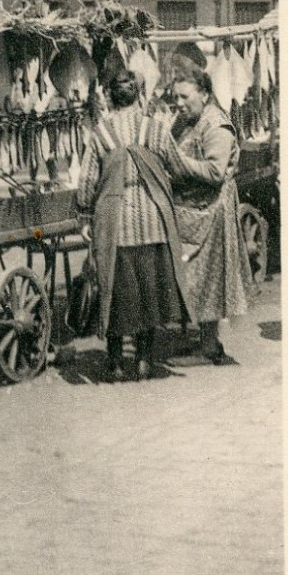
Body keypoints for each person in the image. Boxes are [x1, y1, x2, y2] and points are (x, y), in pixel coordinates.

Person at [77, 69, 192, 380]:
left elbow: (87, 179)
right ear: (140, 96)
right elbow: (178, 166)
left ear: (111, 98)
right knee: (149, 293)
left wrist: (85, 216)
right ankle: (142, 362)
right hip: (152, 221)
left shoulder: (101, 132)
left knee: (116, 291)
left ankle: (114, 363)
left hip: (115, 223)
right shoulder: (153, 129)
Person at [164, 58, 252, 364]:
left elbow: (215, 172)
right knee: (189, 277)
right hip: (190, 207)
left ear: (203, 93)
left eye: (184, 97)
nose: (179, 104)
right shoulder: (185, 120)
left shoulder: (217, 125)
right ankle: (199, 338)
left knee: (207, 278)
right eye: (176, 97)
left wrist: (175, 161)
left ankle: (210, 343)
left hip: (212, 210)